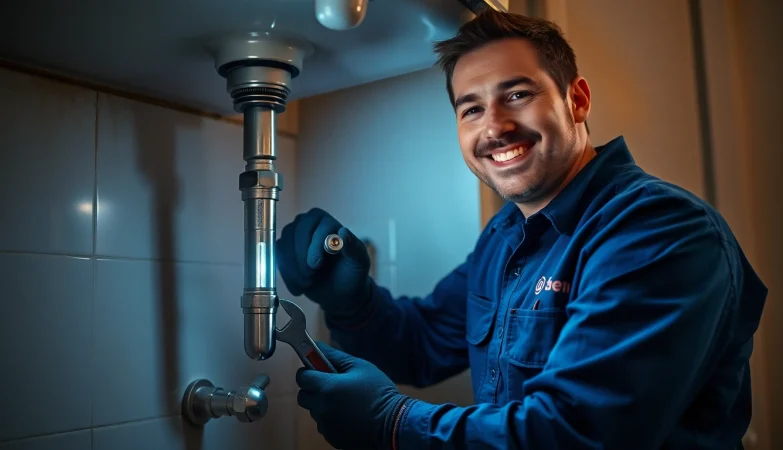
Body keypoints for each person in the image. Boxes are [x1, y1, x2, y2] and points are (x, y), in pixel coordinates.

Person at [276, 9, 768, 450]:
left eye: (517, 94)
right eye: (471, 109)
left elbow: (580, 432)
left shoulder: (659, 230)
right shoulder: (506, 234)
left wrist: (393, 424)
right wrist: (352, 301)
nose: (494, 127)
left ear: (577, 99)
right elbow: (422, 346)